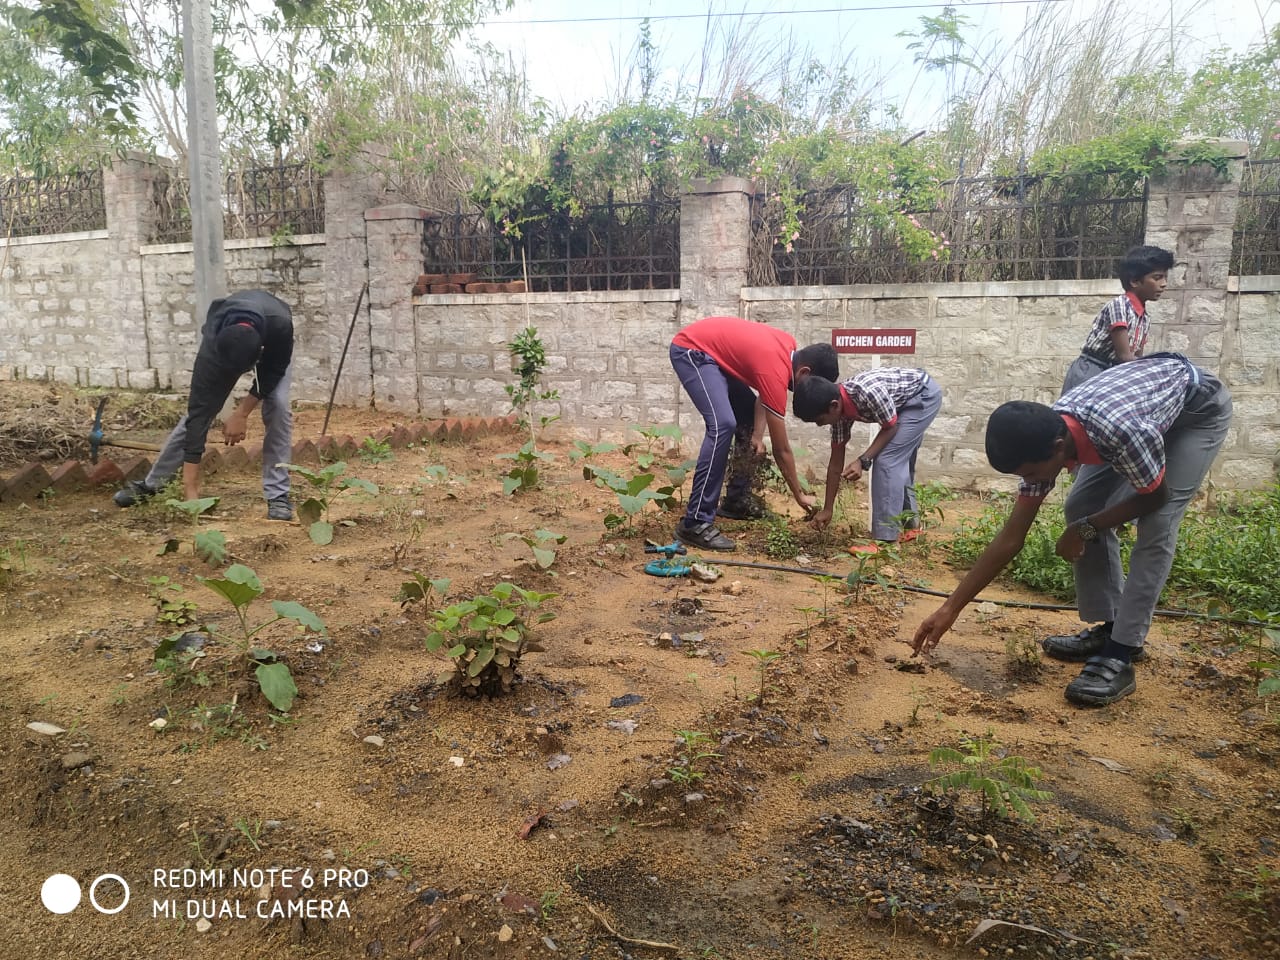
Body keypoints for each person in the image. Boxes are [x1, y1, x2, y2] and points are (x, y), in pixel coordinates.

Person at [912, 353, 1231, 707]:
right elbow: (1012, 538)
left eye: (1031, 474)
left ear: (1059, 448)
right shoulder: (1049, 434)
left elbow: (1154, 498)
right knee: (1079, 505)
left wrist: (1086, 529)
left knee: (1157, 525)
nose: (1030, 483)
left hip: (1195, 411)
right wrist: (951, 608)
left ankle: (1122, 651)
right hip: (1135, 414)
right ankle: (1110, 626)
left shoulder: (1121, 431)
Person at [112, 289, 295, 519]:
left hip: (272, 340)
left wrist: (242, 412)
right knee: (200, 412)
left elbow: (273, 372)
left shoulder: (281, 326)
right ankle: (154, 483)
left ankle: (278, 495)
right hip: (232, 342)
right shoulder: (213, 347)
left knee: (278, 405)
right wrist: (190, 488)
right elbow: (198, 413)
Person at [669, 315, 838, 551]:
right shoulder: (776, 370)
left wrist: (757, 435)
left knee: (745, 417)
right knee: (722, 424)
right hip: (693, 351)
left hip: (713, 356)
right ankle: (695, 522)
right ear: (804, 372)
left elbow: (762, 394)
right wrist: (799, 495)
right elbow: (781, 450)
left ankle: (737, 500)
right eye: (812, 385)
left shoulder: (787, 348)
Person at [793, 367, 942, 553]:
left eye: (820, 420)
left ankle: (886, 542)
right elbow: (835, 464)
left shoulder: (867, 392)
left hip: (922, 396)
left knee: (887, 461)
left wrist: (863, 460)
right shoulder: (839, 413)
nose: (819, 424)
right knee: (898, 462)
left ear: (833, 406)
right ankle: (912, 526)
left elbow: (890, 427)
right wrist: (827, 509)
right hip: (902, 403)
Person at [1061, 245, 1173, 395]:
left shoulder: (1144, 319)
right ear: (1134, 281)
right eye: (1157, 278)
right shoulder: (1119, 306)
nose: (1164, 284)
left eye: (1165, 277)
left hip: (1113, 373)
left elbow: (1136, 357)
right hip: (1092, 371)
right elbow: (1125, 356)